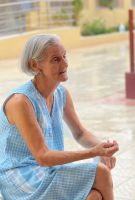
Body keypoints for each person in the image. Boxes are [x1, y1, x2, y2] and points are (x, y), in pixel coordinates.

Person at [0, 34, 119, 200]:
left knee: (94, 197)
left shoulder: (61, 93)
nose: (65, 64)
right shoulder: (21, 102)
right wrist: (93, 152)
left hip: (46, 170)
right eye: (55, 59)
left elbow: (80, 134)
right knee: (100, 172)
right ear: (35, 65)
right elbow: (42, 156)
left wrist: (102, 148)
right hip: (20, 177)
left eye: (64, 56)